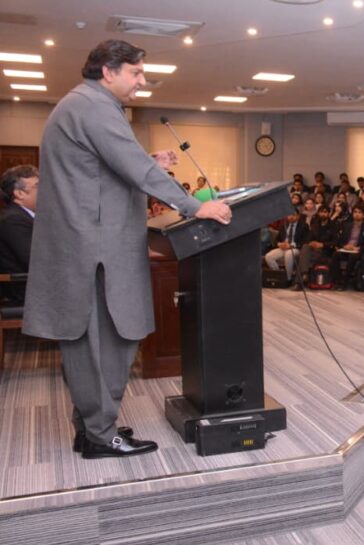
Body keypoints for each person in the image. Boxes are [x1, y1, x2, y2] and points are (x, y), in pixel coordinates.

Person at [24, 39, 231, 459]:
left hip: (86, 243)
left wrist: (150, 160)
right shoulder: (95, 106)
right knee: (107, 344)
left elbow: (102, 168)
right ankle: (101, 435)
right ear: (109, 71)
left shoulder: (80, 105)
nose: (142, 82)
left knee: (91, 344)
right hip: (96, 249)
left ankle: (91, 428)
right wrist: (196, 206)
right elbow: (132, 169)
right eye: (136, 73)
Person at [0, 165, 38, 288]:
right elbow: (35, 261)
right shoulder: (13, 220)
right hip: (23, 294)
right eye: (38, 186)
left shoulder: (26, 216)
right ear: (19, 193)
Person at [331, 207, 364, 290]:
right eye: (355, 212)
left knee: (353, 257)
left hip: (358, 250)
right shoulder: (347, 225)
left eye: (359, 212)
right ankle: (338, 281)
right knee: (335, 255)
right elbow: (340, 241)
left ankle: (345, 282)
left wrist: (358, 248)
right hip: (346, 249)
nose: (357, 214)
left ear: (363, 215)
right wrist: (344, 246)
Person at [265, 211, 308, 281]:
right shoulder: (284, 225)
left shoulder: (304, 226)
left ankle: (288, 279)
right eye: (289, 215)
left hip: (296, 248)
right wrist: (279, 244)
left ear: (298, 216)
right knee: (268, 256)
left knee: (288, 255)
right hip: (283, 248)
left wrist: (291, 245)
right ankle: (280, 276)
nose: (291, 217)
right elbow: (277, 240)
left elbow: (305, 241)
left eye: (293, 215)